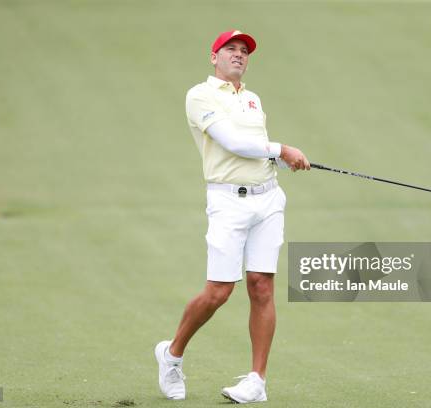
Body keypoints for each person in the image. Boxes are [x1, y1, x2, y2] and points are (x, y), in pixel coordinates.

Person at [155, 29, 310, 404]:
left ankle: (257, 380)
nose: (239, 55)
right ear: (214, 57)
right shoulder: (200, 95)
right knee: (219, 291)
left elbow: (255, 151)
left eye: (244, 51)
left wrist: (281, 161)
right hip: (228, 203)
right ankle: (172, 354)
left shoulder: (253, 99)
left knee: (261, 285)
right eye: (231, 49)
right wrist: (282, 149)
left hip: (269, 200)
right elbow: (231, 142)